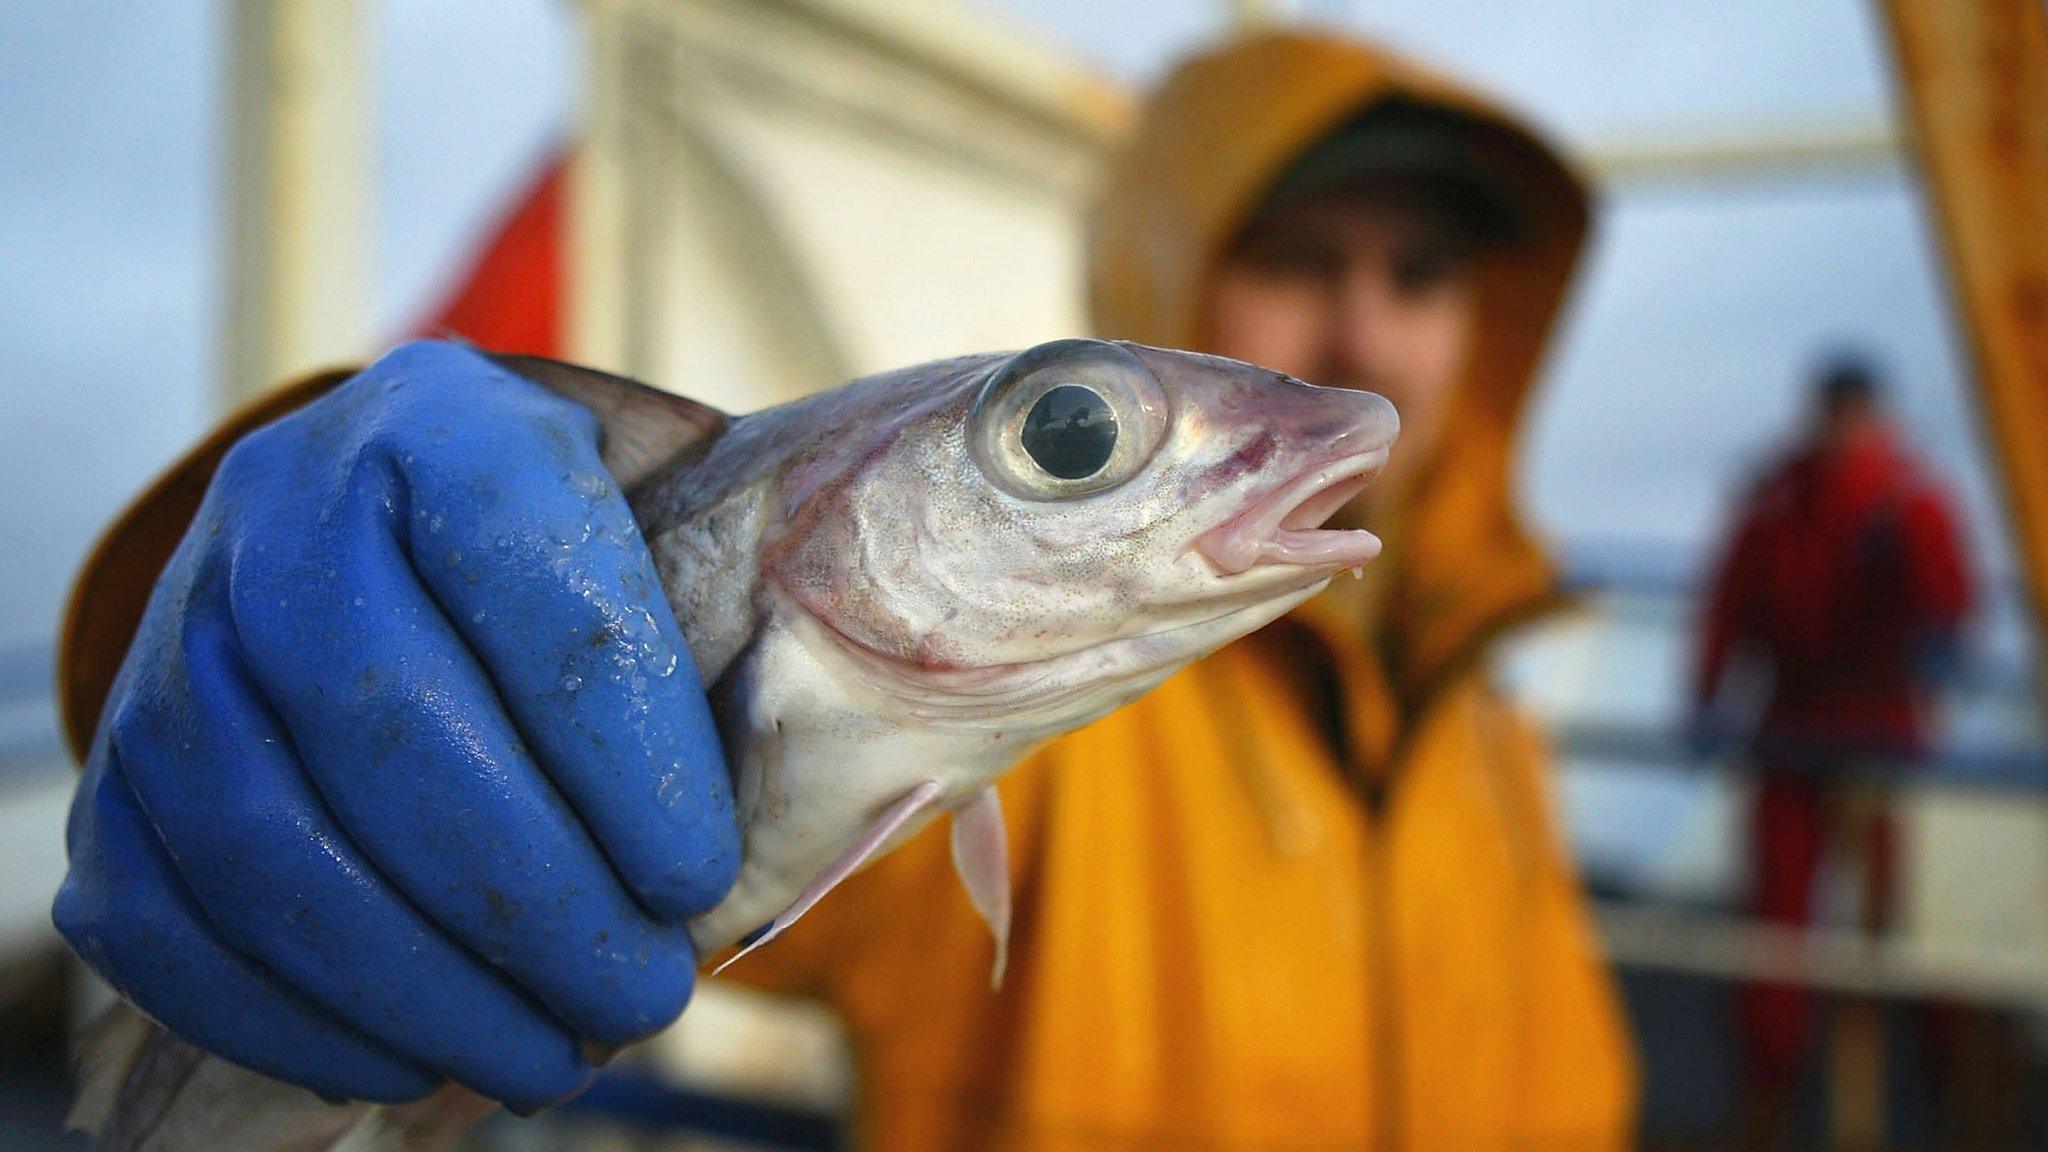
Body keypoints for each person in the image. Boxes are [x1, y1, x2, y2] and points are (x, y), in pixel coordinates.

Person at [55, 29, 1635, 1149]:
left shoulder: (1500, 738)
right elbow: (424, 763)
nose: (1363, 348)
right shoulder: (1059, 736)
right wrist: (243, 625)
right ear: (1173, 265)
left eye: (1420, 278)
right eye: (1299, 257)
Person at [1692, 353, 1974, 1132]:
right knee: (1777, 931)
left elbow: (1951, 602)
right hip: (1793, 725)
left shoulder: (1909, 502)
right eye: (1834, 415)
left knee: (1907, 923)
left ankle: (1939, 1084)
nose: (1844, 432)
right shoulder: (1778, 501)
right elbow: (1729, 600)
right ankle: (1772, 1089)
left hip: (1883, 729)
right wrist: (1708, 693)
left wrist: (1939, 643)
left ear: (1875, 416)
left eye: (1855, 416)